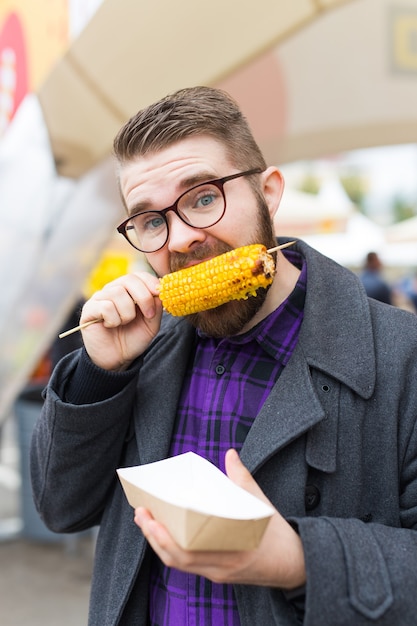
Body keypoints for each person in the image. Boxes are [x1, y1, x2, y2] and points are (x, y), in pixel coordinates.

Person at [30, 86, 417, 626]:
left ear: (270, 192)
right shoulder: (142, 347)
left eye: (204, 197)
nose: (182, 238)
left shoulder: (404, 357)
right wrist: (100, 372)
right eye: (149, 220)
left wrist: (302, 561)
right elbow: (59, 506)